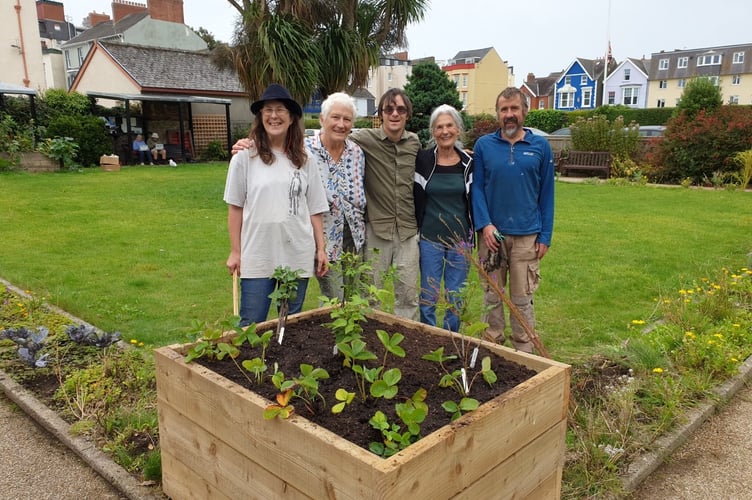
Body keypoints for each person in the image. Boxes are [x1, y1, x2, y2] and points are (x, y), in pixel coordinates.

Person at [224, 83, 329, 326]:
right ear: (260, 118)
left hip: (297, 254)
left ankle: (282, 366)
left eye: (280, 110)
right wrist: (235, 251)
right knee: (251, 324)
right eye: (268, 110)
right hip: (257, 255)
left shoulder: (305, 159)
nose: (274, 116)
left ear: (291, 118)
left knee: (289, 327)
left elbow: (315, 209)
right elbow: (235, 207)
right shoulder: (244, 158)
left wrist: (320, 249)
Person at [471, 87, 555, 353]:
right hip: (491, 237)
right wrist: (485, 224)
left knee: (521, 299)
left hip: (526, 235)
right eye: (504, 110)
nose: (509, 115)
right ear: (497, 113)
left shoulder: (540, 147)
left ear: (524, 112)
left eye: (514, 109)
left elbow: (547, 195)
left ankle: (524, 352)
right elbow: (478, 189)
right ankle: (492, 350)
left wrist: (545, 236)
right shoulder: (484, 146)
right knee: (492, 297)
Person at [350, 89, 421, 321]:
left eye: (400, 109)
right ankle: (370, 346)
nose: (394, 114)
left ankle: (406, 346)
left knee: (408, 297)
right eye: (388, 109)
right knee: (370, 294)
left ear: (407, 114)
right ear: (380, 113)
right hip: (377, 231)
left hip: (408, 231)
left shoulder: (414, 143)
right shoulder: (364, 138)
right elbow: (331, 135)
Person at [414, 105, 474, 332]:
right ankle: (428, 338)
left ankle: (451, 342)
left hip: (460, 241)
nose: (445, 131)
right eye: (439, 127)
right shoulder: (423, 160)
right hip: (430, 239)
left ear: (458, 129)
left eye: (449, 125)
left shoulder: (468, 163)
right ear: (433, 132)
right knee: (429, 296)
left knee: (455, 297)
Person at [305, 92, 366, 301]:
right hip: (322, 239)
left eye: (347, 119)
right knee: (333, 299)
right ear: (322, 119)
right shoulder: (304, 150)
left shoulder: (357, 152)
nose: (341, 124)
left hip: (354, 237)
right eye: (335, 117)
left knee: (352, 297)